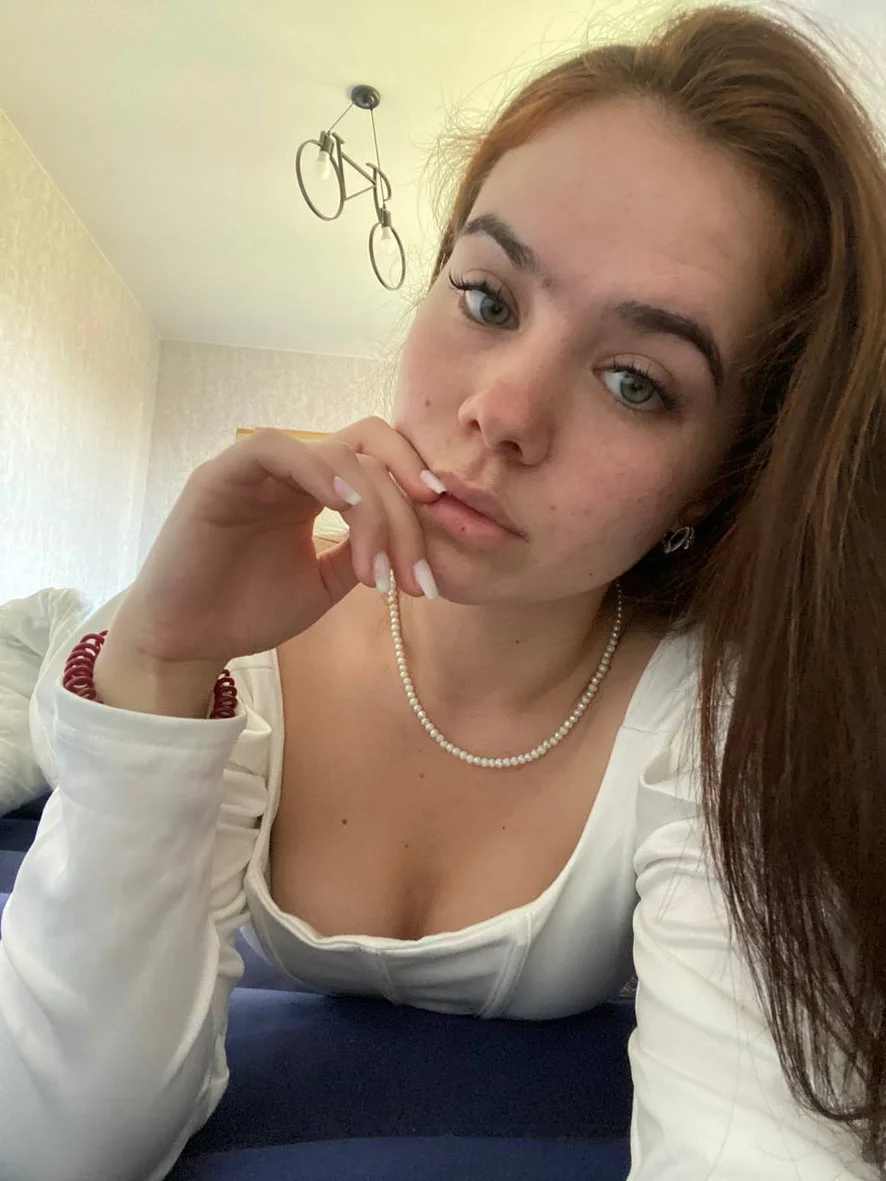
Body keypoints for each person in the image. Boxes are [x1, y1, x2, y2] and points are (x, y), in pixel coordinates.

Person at [1, 3, 884, 1178]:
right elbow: (57, 1143)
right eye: (487, 299)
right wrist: (161, 663)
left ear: (716, 480)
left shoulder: (716, 725)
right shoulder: (226, 654)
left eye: (634, 379)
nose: (502, 410)